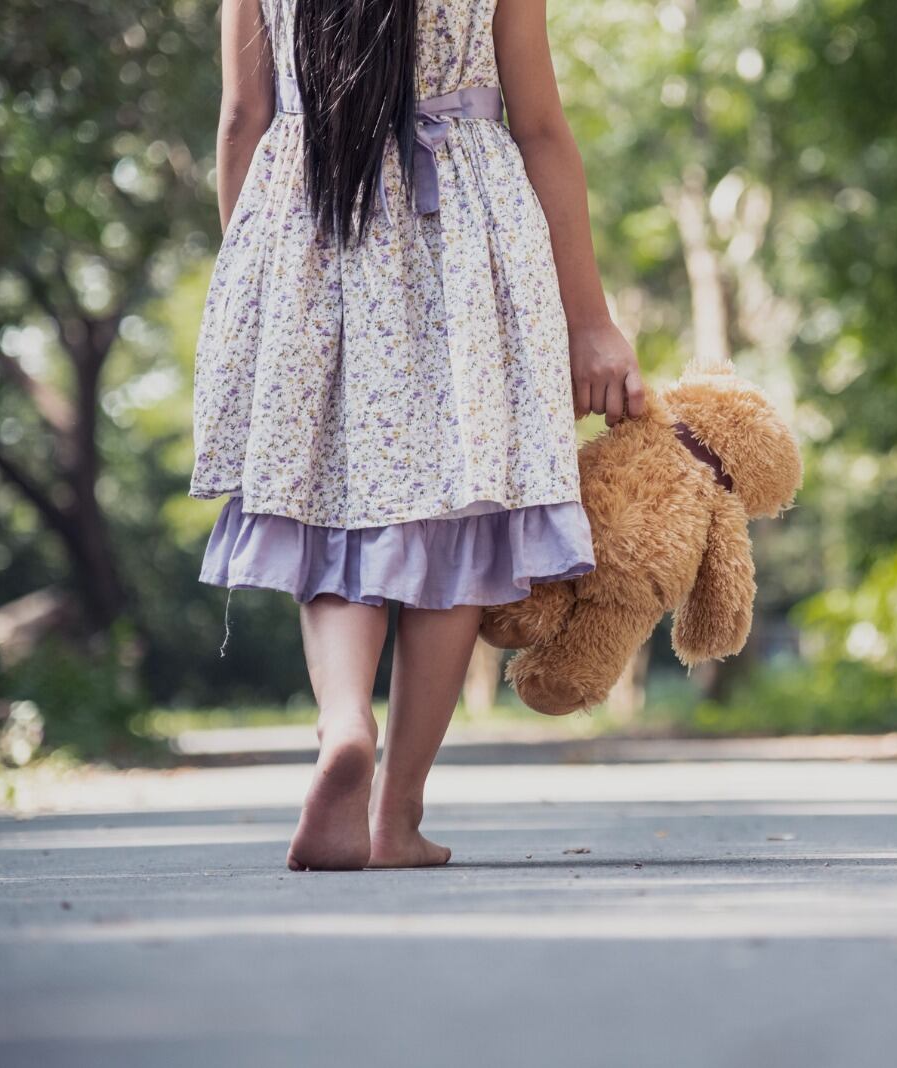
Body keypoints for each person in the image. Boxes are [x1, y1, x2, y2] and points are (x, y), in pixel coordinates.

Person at [188, 0, 644, 871]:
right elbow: (541, 127)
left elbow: (243, 116)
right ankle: (395, 819)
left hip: (310, 221)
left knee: (323, 503)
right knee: (459, 520)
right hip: (467, 234)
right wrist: (590, 320)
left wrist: (254, 273)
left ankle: (343, 724)